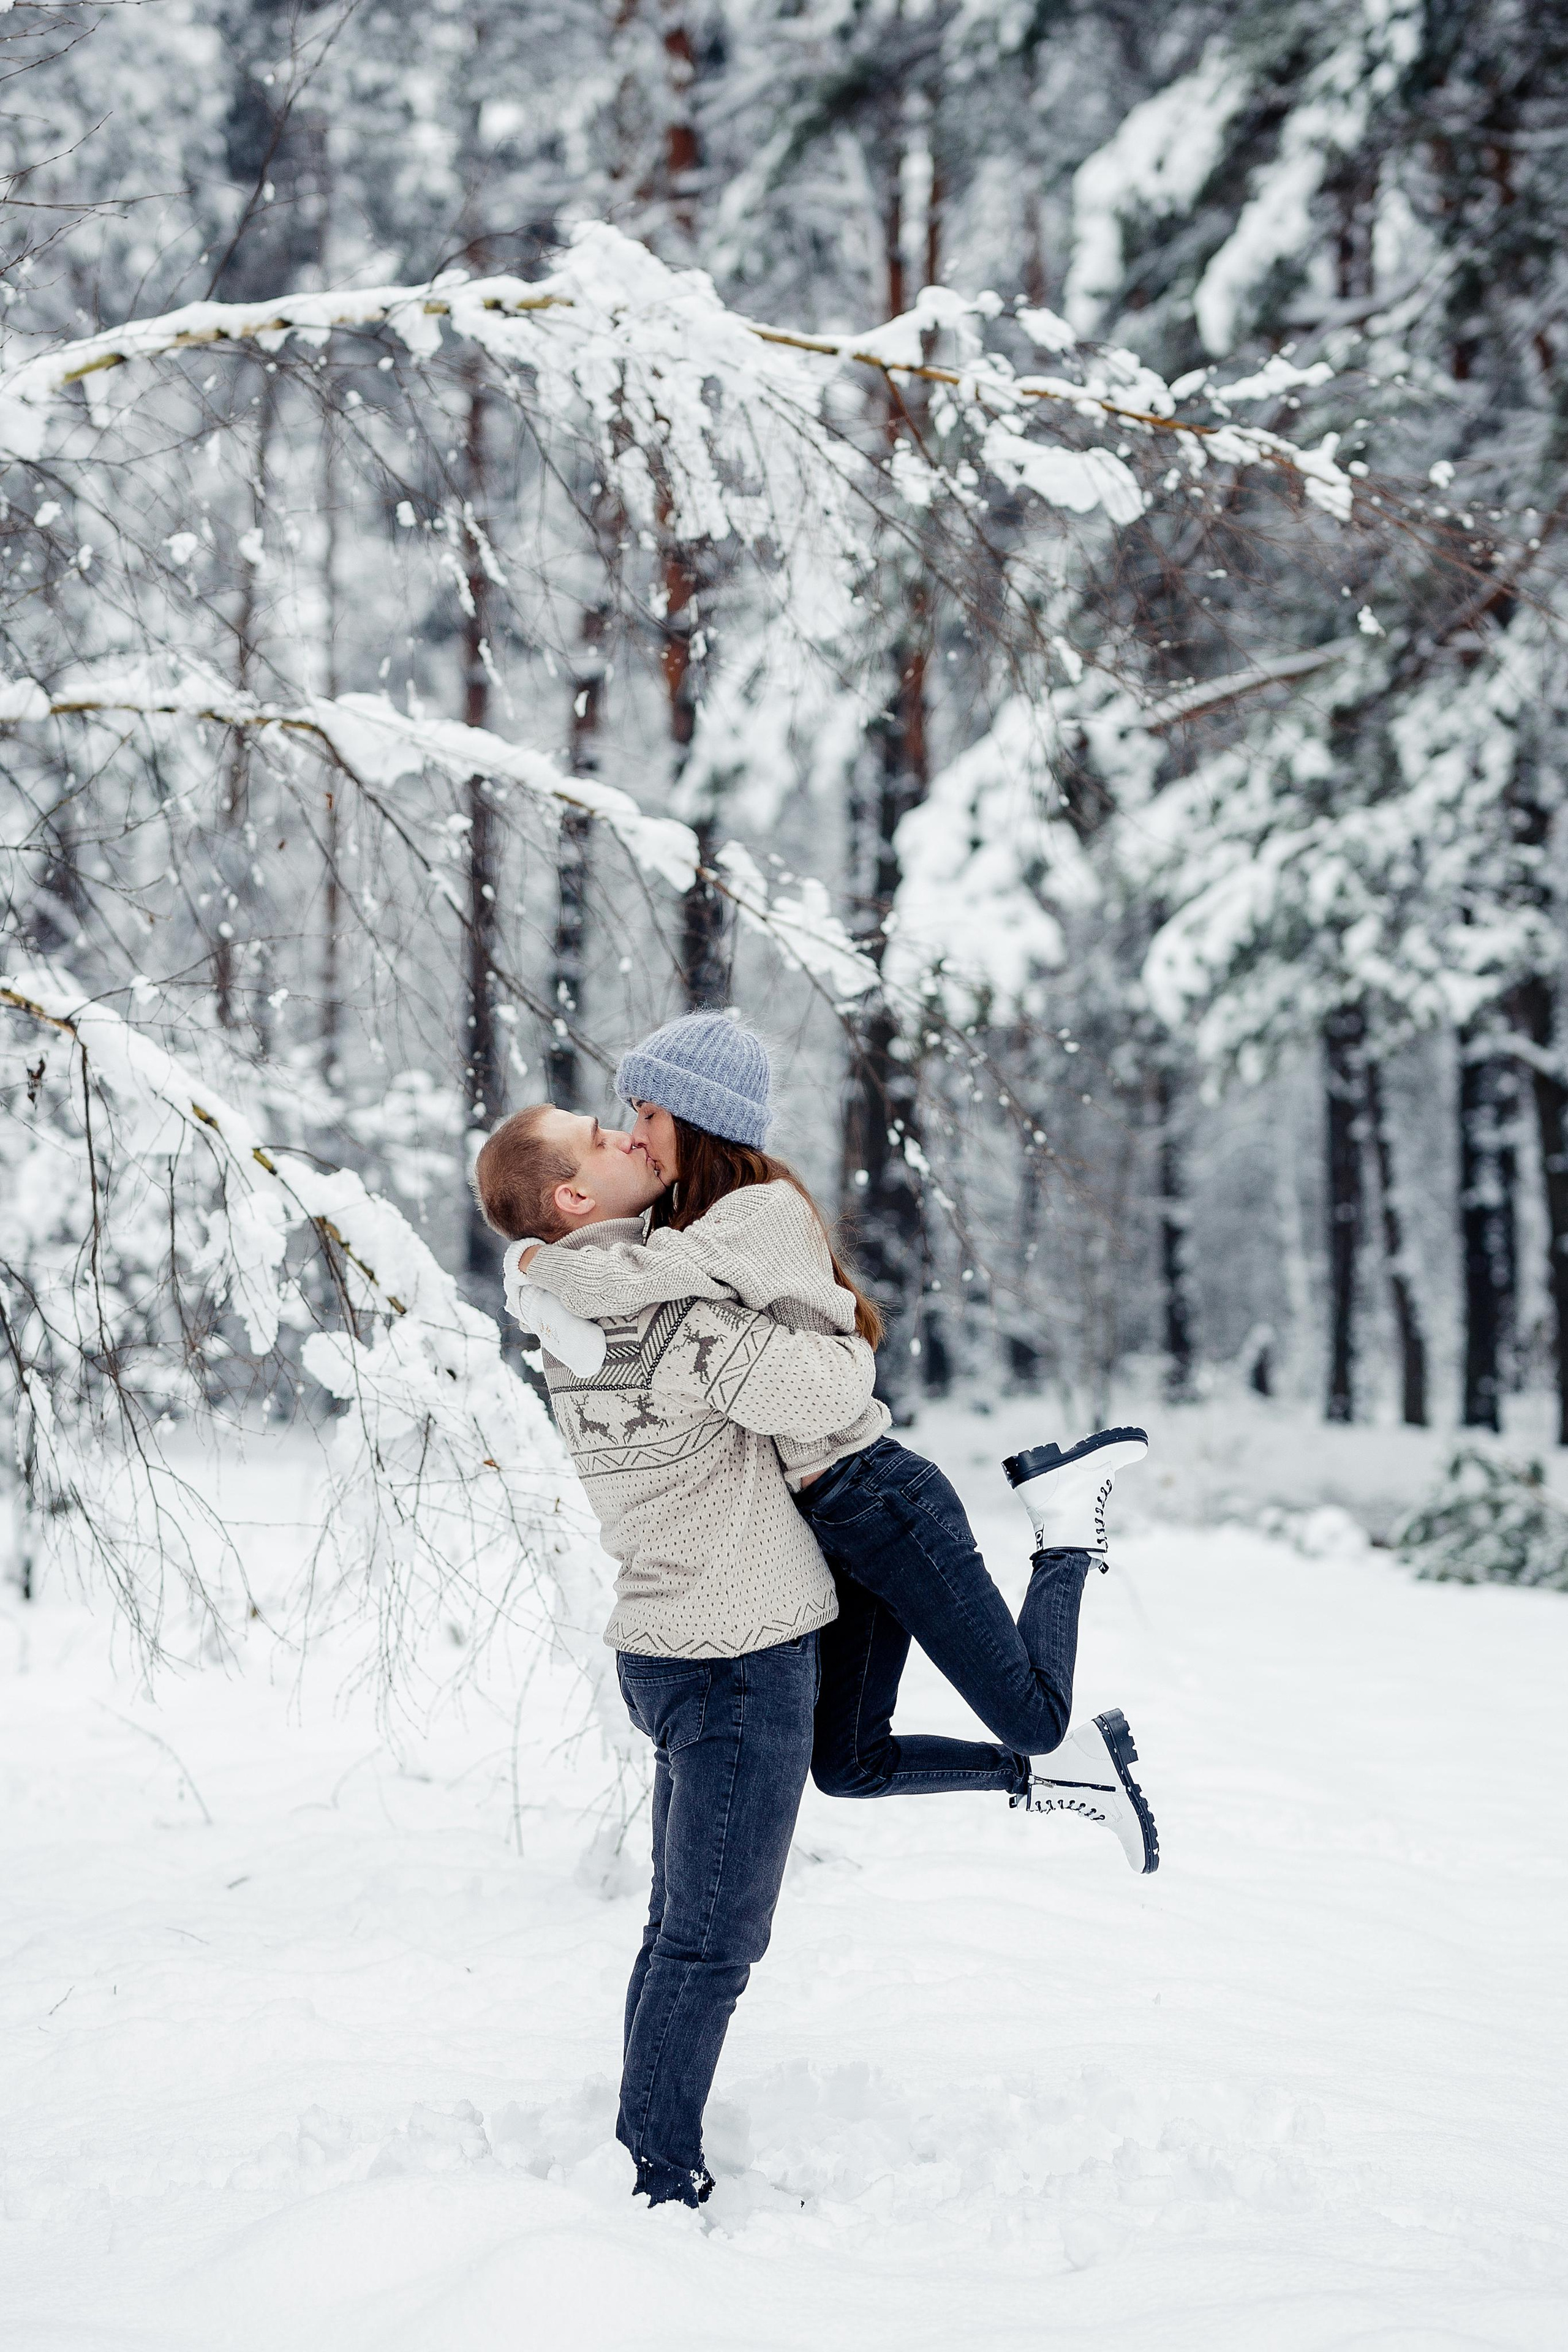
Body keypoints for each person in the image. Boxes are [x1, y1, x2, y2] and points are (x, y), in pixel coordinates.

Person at [483, 1013, 1158, 1875]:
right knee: (845, 1766)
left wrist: (535, 1266)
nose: (636, 1134)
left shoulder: (754, 1212)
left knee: (1034, 1714)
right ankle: (1047, 1780)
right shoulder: (697, 1225)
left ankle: (1064, 1531)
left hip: (880, 1498)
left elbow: (637, 1284)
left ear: (697, 1118)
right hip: (827, 1522)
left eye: (646, 1113)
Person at [473, 1104, 873, 2212]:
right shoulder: (678, 1323)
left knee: (678, 1926)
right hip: (740, 1653)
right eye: (601, 1137)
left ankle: (644, 2141)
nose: (628, 1135)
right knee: (711, 1941)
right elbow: (837, 1392)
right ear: (572, 1201)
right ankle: (657, 2176)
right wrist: (840, 1328)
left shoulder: (559, 1305)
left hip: (661, 1646)